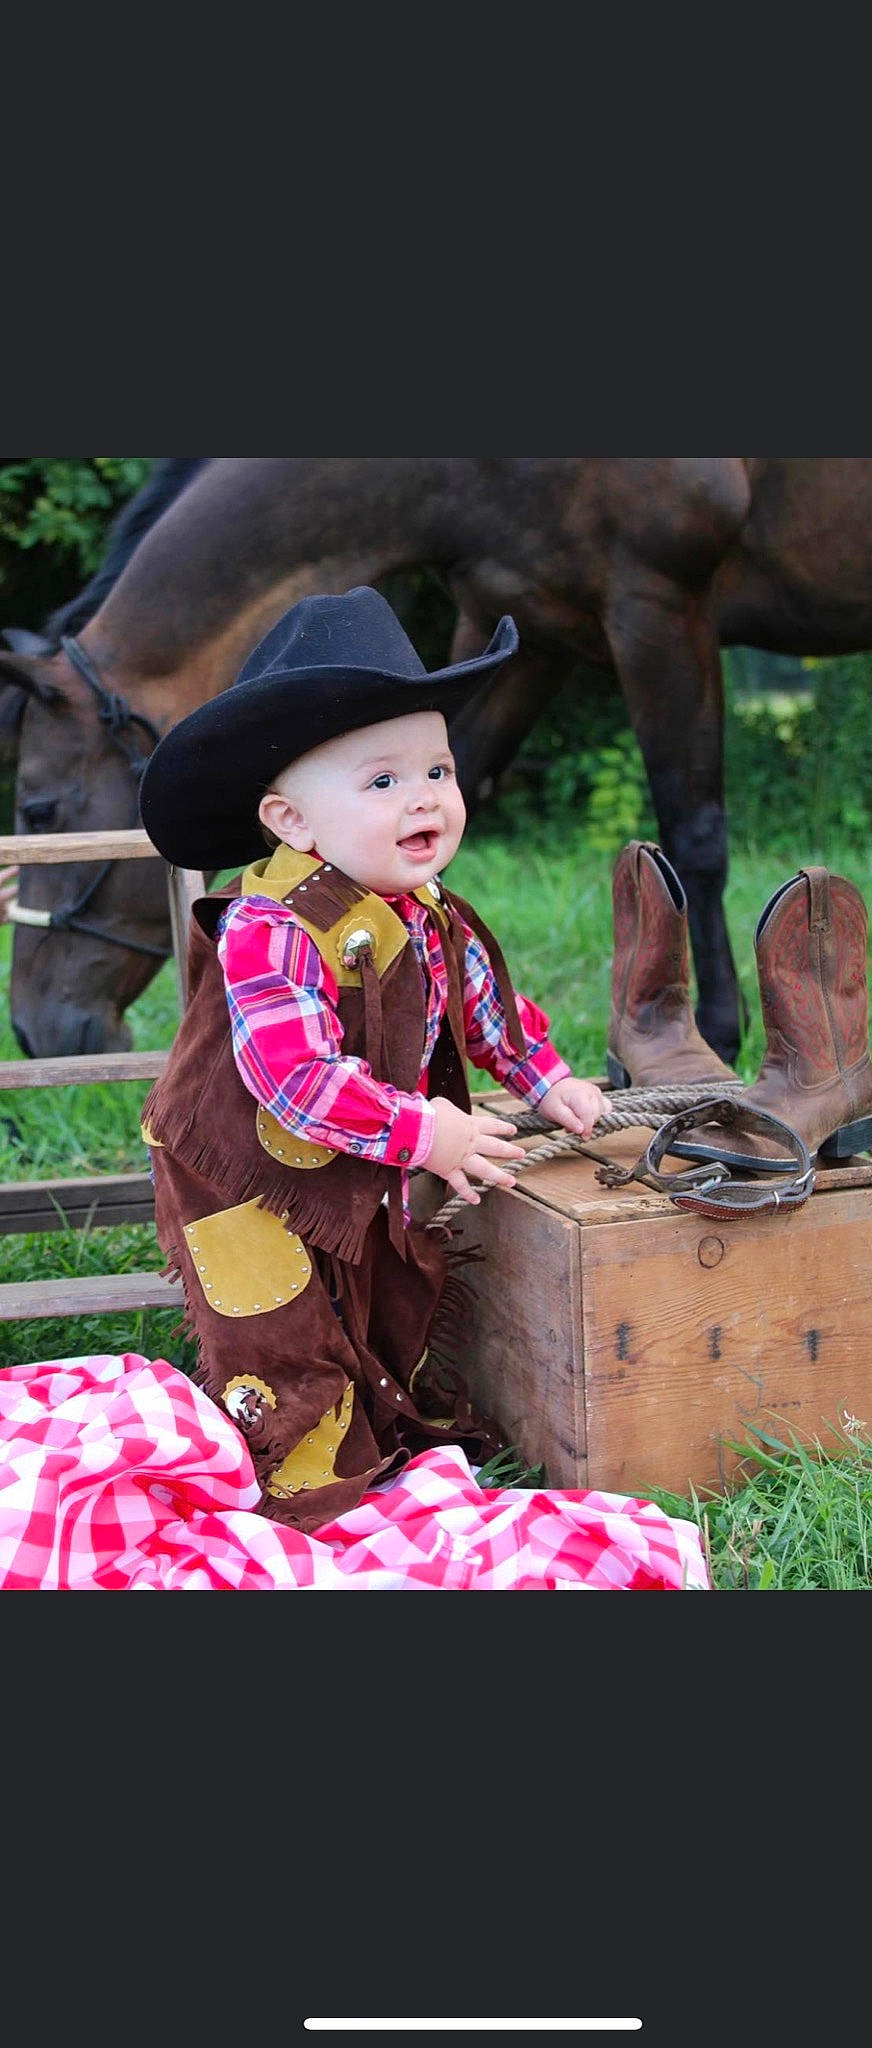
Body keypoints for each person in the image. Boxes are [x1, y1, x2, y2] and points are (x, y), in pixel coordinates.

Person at [138, 587, 606, 1532]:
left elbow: (484, 1012)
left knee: (375, 1291)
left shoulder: (423, 910)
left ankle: (381, 1428)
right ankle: (307, 1497)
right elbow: (295, 1081)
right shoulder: (270, 930)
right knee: (277, 1325)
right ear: (294, 823)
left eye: (437, 769)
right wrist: (425, 1128)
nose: (425, 796)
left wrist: (544, 1079)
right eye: (383, 782)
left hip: (359, 1149)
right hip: (236, 1169)